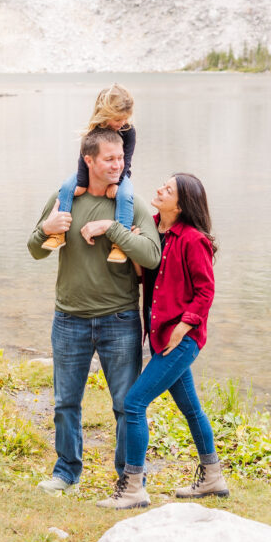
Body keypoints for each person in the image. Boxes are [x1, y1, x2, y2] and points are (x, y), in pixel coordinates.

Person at [28, 127, 161, 495]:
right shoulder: (66, 198)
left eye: (121, 158)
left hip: (120, 319)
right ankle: (66, 473)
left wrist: (116, 231)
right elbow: (35, 249)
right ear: (89, 160)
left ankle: (129, 477)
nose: (118, 165)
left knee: (125, 405)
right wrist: (46, 228)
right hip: (69, 317)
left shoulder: (133, 204)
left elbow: (152, 257)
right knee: (65, 403)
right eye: (109, 159)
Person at [97, 173, 228, 509]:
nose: (159, 189)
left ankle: (133, 488)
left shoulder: (193, 239)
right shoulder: (153, 229)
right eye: (163, 185)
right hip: (159, 336)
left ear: (181, 204)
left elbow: (205, 291)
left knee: (134, 403)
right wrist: (136, 246)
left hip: (180, 339)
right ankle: (213, 477)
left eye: (168, 190)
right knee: (191, 408)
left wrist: (184, 328)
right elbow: (148, 278)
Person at [41, 84, 137, 264]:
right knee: (67, 187)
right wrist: (82, 183)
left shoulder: (128, 131)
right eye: (118, 118)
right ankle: (58, 232)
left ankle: (120, 243)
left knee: (125, 195)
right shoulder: (93, 131)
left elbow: (127, 160)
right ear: (105, 114)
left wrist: (117, 183)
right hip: (91, 173)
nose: (122, 122)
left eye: (126, 118)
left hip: (120, 174)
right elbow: (82, 158)